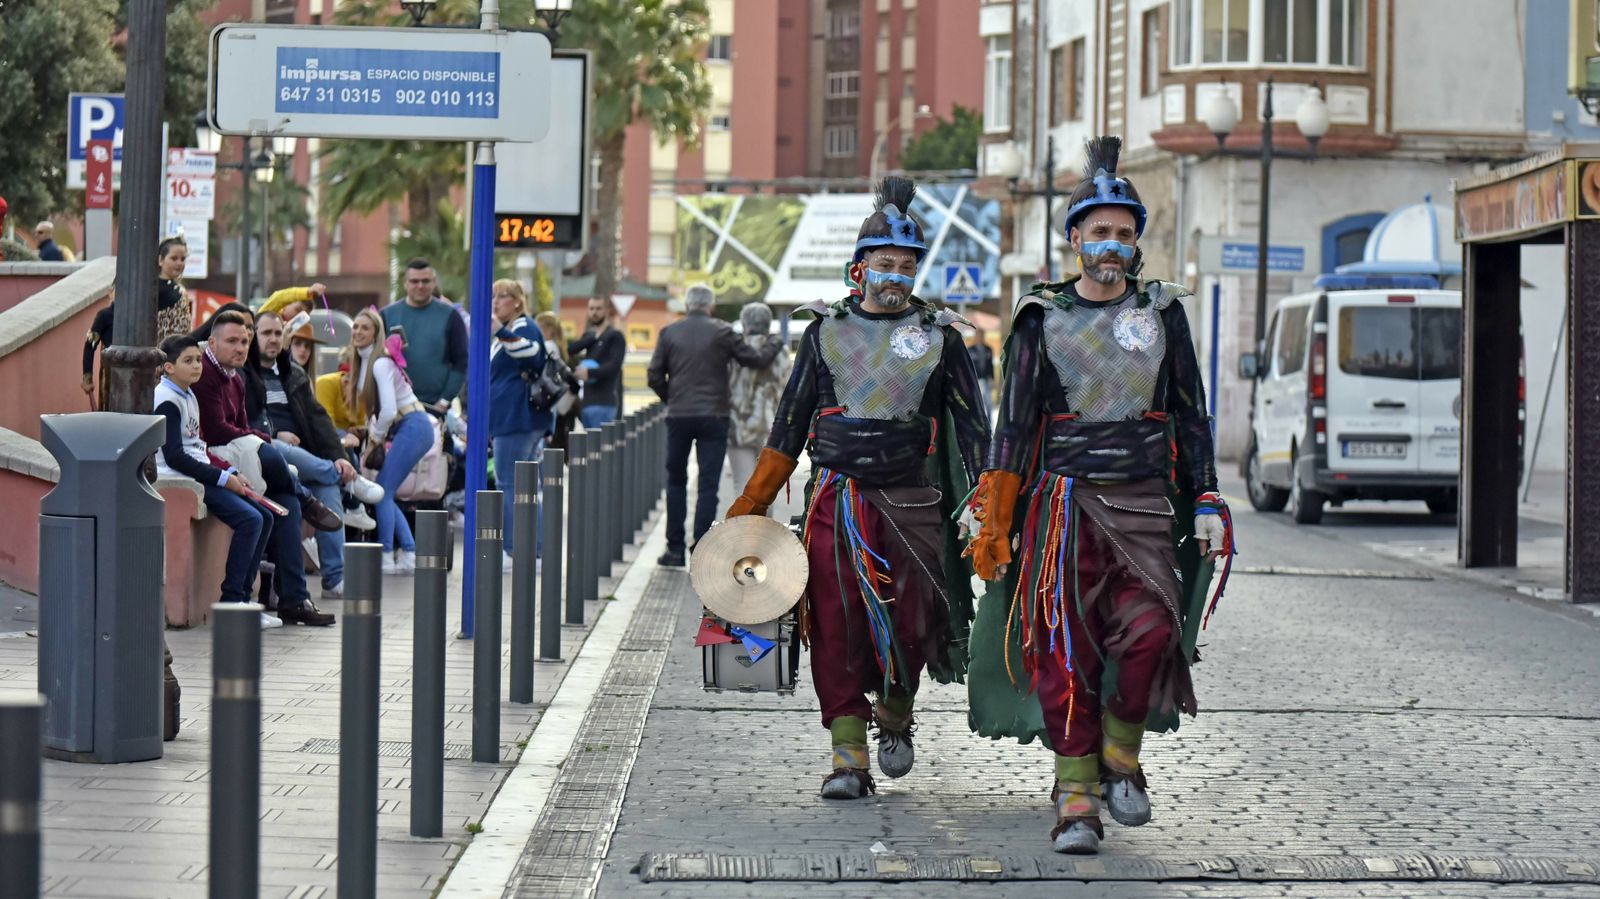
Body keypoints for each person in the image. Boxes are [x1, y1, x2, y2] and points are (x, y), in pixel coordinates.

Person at [966, 137, 1233, 856]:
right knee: (1065, 652)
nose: (1111, 244)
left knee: (1151, 634)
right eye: (1099, 231)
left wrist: (1206, 498)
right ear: (1074, 238)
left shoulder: (1164, 313)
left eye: (1123, 232)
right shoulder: (1038, 316)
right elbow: (1014, 425)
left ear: (1136, 241)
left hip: (1144, 505)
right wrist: (995, 518)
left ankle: (1120, 751)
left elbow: (1191, 414)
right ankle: (1076, 796)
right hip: (1061, 509)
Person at [725, 176, 991, 800]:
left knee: (914, 620)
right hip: (836, 505)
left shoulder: (942, 336)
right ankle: (848, 758)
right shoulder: (822, 332)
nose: (896, 275)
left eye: (907, 265)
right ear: (859, 268)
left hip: (913, 504)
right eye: (885, 263)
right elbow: (788, 426)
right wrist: (750, 506)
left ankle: (896, 711)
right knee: (836, 625)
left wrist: (988, 503)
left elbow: (975, 429)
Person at [191, 309, 337, 627]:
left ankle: (294, 600)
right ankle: (307, 499)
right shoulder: (204, 373)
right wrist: (260, 437)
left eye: (245, 341)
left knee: (286, 504)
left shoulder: (237, 376)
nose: (240, 348)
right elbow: (216, 430)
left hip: (236, 455)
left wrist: (255, 436)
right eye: (232, 341)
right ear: (212, 343)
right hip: (211, 460)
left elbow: (241, 425)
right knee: (270, 457)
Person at [243, 310, 385, 599]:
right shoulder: (245, 373)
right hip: (263, 448)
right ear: (253, 336)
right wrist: (275, 432)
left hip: (301, 455)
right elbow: (245, 419)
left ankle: (334, 579)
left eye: (278, 333)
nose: (273, 339)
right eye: (266, 333)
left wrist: (339, 455)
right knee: (279, 447)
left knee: (327, 488)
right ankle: (347, 480)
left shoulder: (293, 374)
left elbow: (318, 419)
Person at [648, 285, 782, 567]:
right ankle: (700, 547)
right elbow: (755, 359)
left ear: (687, 305)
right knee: (708, 485)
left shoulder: (669, 332)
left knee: (675, 481)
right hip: (715, 417)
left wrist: (672, 398)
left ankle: (674, 549)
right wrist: (774, 342)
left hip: (679, 417)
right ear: (710, 306)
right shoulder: (722, 331)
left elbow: (654, 375)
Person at [153, 334, 274, 608]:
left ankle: (244, 598)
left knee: (265, 517)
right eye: (188, 361)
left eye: (198, 359)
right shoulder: (166, 399)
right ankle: (232, 601)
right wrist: (223, 479)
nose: (197, 366)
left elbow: (198, 447)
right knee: (250, 520)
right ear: (169, 367)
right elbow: (175, 457)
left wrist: (231, 471)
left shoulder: (187, 394)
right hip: (182, 478)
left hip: (200, 472)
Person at [346, 307, 434, 574]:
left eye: (365, 327)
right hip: (408, 426)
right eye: (355, 326)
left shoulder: (380, 363)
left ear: (376, 333)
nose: (358, 331)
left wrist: (374, 439)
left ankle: (386, 554)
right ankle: (408, 552)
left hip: (414, 424)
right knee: (385, 492)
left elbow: (388, 411)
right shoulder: (365, 364)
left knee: (383, 491)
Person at [82, 237, 195, 407]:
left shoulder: (178, 291)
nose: (179, 263)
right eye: (174, 258)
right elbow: (90, 344)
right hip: (125, 373)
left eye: (183, 258)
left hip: (169, 367)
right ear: (160, 259)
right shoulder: (144, 292)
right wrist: (87, 377)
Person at [487, 280, 552, 570]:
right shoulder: (510, 328)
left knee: (510, 485)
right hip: (513, 418)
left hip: (517, 418)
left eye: (502, 296)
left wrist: (500, 331)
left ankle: (516, 549)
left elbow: (531, 352)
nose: (495, 302)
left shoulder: (523, 326)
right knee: (523, 486)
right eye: (493, 296)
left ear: (517, 301)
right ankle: (532, 549)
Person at [726, 302, 793, 501]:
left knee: (742, 484)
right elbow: (789, 389)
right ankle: (762, 523)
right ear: (768, 323)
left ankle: (743, 522)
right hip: (771, 428)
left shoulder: (734, 351)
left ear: (744, 323)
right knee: (765, 488)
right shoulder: (781, 352)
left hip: (738, 427)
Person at [381, 259, 468, 412]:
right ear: (405, 283)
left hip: (433, 406)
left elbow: (461, 362)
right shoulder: (386, 315)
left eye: (425, 281)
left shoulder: (450, 316)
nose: (420, 286)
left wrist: (443, 402)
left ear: (434, 282)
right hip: (394, 405)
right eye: (414, 281)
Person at [567, 297, 626, 428]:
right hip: (587, 403)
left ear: (606, 311)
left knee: (600, 441)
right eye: (591, 308)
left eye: (599, 308)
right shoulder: (589, 336)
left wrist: (590, 372)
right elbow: (568, 350)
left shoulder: (615, 336)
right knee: (588, 441)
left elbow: (614, 366)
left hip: (605, 403)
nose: (594, 312)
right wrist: (590, 339)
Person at [536, 311, 579, 452]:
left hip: (548, 402)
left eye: (538, 328)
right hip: (558, 402)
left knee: (544, 448)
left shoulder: (548, 346)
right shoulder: (559, 347)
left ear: (549, 330)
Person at [967, 326, 996, 419]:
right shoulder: (970, 350)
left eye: (981, 335)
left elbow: (991, 366)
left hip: (986, 379)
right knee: (977, 403)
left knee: (989, 403)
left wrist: (993, 379)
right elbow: (968, 367)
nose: (979, 337)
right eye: (978, 335)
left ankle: (989, 422)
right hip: (975, 380)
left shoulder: (988, 349)